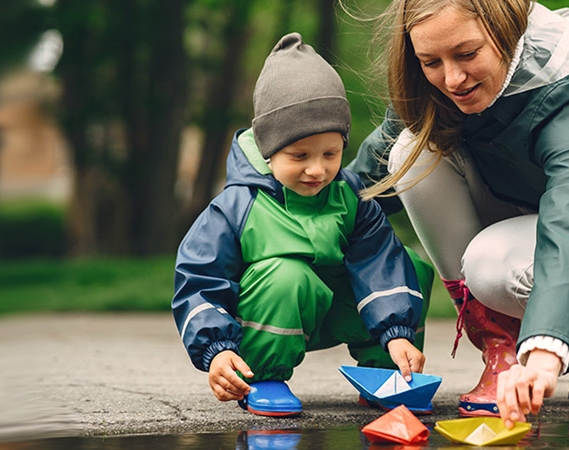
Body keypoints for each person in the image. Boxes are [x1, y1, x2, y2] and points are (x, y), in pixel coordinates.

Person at [346, 0, 569, 428]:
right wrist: (286, 219)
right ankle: (498, 347)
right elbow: (361, 188)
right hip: (516, 217)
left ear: (505, 31)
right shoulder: (434, 87)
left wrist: (544, 352)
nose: (452, 78)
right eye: (431, 61)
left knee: (490, 264)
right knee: (409, 153)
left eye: (467, 54)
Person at [172, 33, 433, 418]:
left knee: (408, 263)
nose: (317, 169)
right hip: (271, 318)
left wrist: (396, 334)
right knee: (286, 274)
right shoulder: (237, 206)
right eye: (299, 155)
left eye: (331, 153)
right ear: (267, 148)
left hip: (337, 308)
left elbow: (378, 262)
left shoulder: (350, 196)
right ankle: (263, 377)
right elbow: (199, 279)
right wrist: (217, 350)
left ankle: (388, 370)